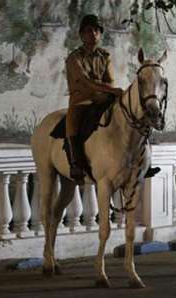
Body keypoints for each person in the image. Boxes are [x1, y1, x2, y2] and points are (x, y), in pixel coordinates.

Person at [65, 14, 159, 185]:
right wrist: (111, 90)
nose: (92, 33)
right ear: (81, 35)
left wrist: (109, 91)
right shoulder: (73, 58)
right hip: (81, 100)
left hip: (102, 98)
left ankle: (144, 160)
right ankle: (76, 163)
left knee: (131, 114)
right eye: (88, 31)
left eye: (96, 30)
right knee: (72, 120)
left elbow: (109, 79)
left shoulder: (105, 55)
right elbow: (86, 81)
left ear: (99, 34)